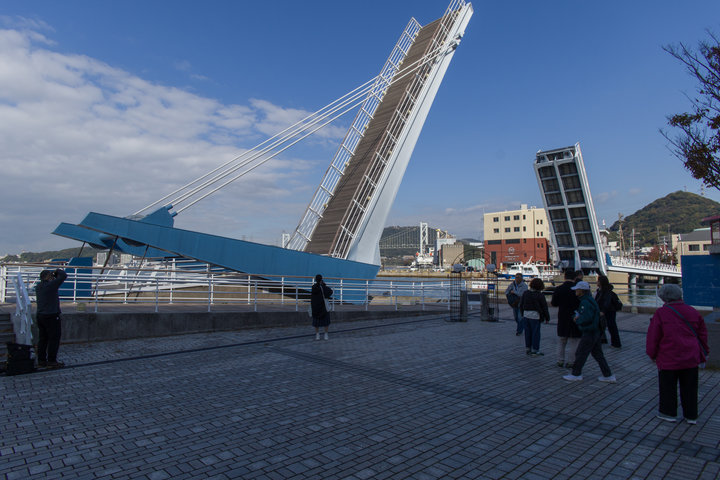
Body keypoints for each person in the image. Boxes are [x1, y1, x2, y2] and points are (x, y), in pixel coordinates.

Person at [646, 284, 709, 424]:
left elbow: (654, 336)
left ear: (664, 297)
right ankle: (691, 415)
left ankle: (668, 413)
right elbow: (702, 334)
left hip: (668, 356)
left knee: (668, 386)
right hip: (691, 356)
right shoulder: (692, 311)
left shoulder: (661, 313)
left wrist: (652, 353)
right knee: (690, 387)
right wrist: (704, 352)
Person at [563, 281, 616, 383]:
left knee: (581, 353)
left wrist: (577, 319)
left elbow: (586, 318)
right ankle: (608, 375)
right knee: (598, 354)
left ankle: (576, 374)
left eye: (577, 289)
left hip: (589, 331)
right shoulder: (590, 300)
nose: (575, 291)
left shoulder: (585, 302)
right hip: (595, 331)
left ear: (581, 291)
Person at [35, 268, 68, 368]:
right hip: (51, 315)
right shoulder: (51, 285)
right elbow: (63, 275)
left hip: (40, 315)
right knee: (54, 339)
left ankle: (41, 360)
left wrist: (52, 275)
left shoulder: (38, 286)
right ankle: (52, 361)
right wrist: (56, 271)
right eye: (50, 276)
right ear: (48, 277)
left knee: (43, 339)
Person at [552, 269, 582, 368]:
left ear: (564, 277)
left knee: (562, 340)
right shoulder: (577, 289)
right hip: (575, 317)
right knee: (574, 341)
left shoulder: (559, 288)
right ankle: (571, 362)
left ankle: (560, 360)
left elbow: (554, 303)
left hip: (563, 316)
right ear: (575, 278)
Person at [520, 278, 550, 356]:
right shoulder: (540, 295)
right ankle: (535, 350)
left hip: (526, 315)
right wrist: (547, 318)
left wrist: (522, 314)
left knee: (527, 332)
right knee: (535, 333)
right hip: (535, 316)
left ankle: (528, 348)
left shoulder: (526, 293)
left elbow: (521, 304)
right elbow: (544, 307)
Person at [595, 274, 623, 348]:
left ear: (601, 282)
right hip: (608, 311)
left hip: (609, 311)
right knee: (608, 326)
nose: (597, 282)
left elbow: (606, 302)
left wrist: (603, 311)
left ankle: (616, 343)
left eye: (598, 281)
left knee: (611, 327)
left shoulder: (605, 292)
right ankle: (603, 340)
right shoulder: (601, 291)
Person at [311, 274, 333, 340]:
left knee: (316, 322)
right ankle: (326, 334)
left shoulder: (313, 287)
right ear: (321, 279)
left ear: (316, 279)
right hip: (323, 307)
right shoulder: (323, 287)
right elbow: (330, 292)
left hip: (315, 307)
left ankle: (317, 334)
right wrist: (324, 285)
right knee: (326, 322)